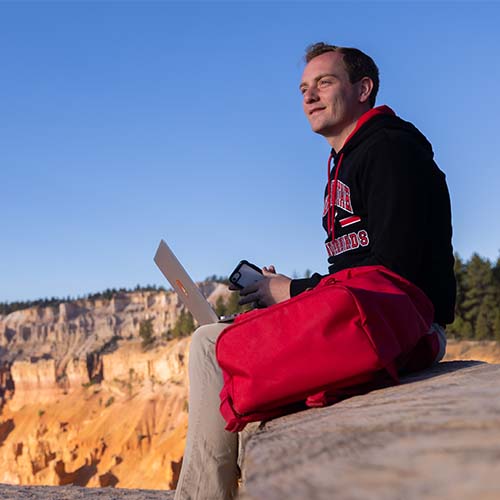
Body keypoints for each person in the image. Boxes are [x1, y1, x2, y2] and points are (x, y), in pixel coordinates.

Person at [174, 42, 456, 500]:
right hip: (369, 322)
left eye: (324, 83)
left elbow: (392, 271)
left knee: (212, 344)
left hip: (404, 328)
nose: (309, 97)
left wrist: (291, 290)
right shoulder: (344, 160)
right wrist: (290, 292)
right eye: (303, 88)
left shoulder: (390, 149)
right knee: (238, 339)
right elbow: (354, 268)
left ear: (363, 88)